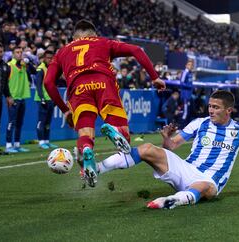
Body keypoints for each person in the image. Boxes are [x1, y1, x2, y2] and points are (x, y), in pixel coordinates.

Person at [99, 90, 239, 209]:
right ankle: (98, 168)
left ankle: (171, 201)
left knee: (205, 187)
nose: (211, 110)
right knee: (146, 148)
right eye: (210, 106)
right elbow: (172, 147)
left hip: (209, 180)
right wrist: (167, 139)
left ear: (228, 110)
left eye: (216, 107)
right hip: (186, 169)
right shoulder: (199, 123)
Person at [44, 19, 166, 187]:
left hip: (78, 90)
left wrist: (65, 110)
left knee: (85, 134)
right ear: (93, 34)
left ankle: (87, 149)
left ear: (74, 37)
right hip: (104, 84)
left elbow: (48, 83)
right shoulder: (102, 42)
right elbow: (137, 50)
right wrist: (155, 77)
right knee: (125, 142)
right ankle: (114, 130)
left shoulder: (62, 52)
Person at [5, 46, 36, 153]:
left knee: (19, 123)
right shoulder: (9, 66)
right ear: (13, 54)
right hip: (13, 99)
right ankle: (8, 145)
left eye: (21, 52)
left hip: (22, 98)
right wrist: (8, 96)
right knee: (11, 122)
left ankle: (17, 144)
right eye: (17, 52)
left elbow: (35, 71)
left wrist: (28, 63)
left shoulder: (23, 65)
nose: (19, 54)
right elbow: (5, 83)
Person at [34, 50, 58, 149]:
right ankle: (41, 142)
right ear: (44, 58)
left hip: (50, 99)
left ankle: (47, 141)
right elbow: (38, 85)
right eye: (48, 58)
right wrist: (42, 98)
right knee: (41, 121)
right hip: (42, 99)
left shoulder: (52, 69)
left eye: (51, 58)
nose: (50, 60)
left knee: (48, 122)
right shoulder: (40, 69)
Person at [180, 59, 194, 125]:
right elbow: (182, 83)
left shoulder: (190, 73)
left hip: (189, 95)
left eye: (191, 65)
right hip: (185, 95)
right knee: (185, 112)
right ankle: (181, 127)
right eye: (189, 65)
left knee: (188, 111)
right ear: (186, 65)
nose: (190, 66)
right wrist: (190, 86)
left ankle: (185, 127)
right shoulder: (185, 72)